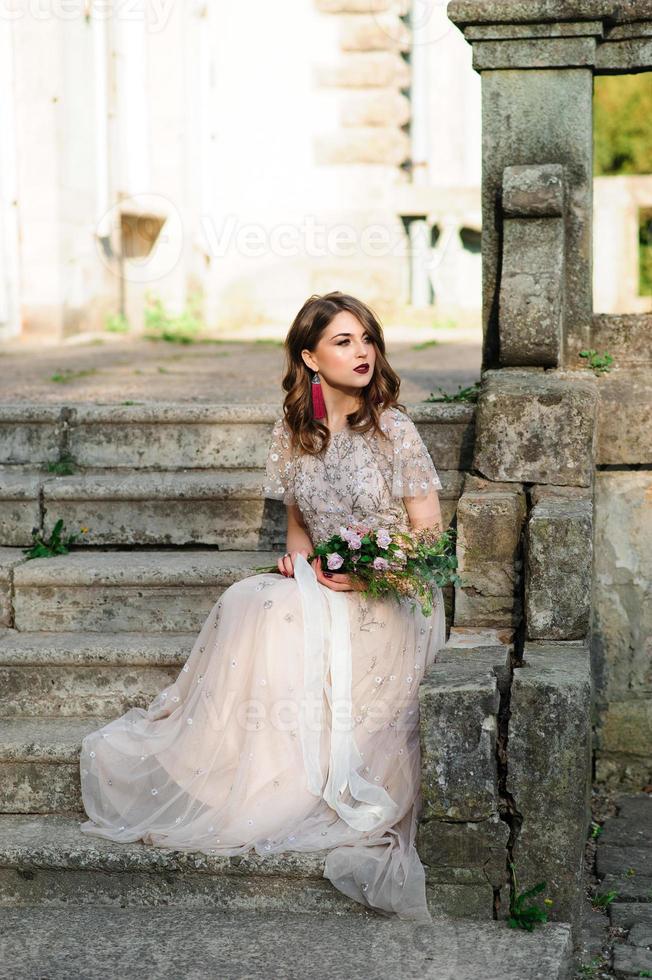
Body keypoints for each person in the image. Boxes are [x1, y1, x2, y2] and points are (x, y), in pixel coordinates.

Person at [78, 290, 447, 924]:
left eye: (367, 339)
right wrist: (298, 565)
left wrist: (367, 576)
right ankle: (228, 773)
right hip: (326, 578)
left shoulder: (395, 429)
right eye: (343, 341)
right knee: (251, 596)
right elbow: (301, 526)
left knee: (274, 612)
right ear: (309, 357)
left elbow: (429, 532)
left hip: (391, 593)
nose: (361, 352)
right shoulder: (295, 431)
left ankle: (291, 782)